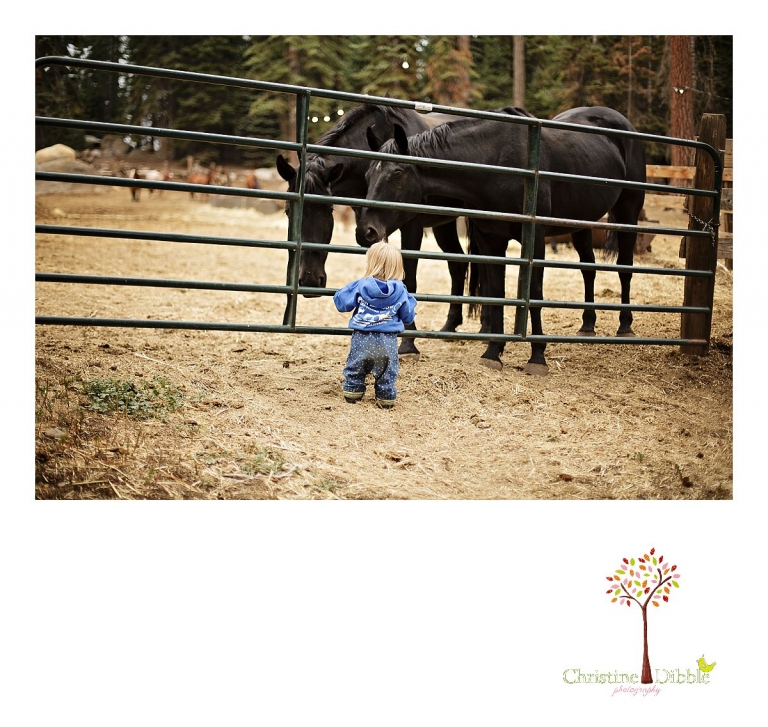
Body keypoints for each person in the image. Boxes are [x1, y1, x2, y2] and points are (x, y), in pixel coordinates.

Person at [333, 242, 417, 409]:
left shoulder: (361, 284)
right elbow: (408, 317)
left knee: (355, 366)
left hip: (362, 338)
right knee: (388, 371)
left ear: (371, 263)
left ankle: (353, 391)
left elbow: (341, 303)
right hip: (388, 341)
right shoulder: (401, 290)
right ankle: (386, 398)